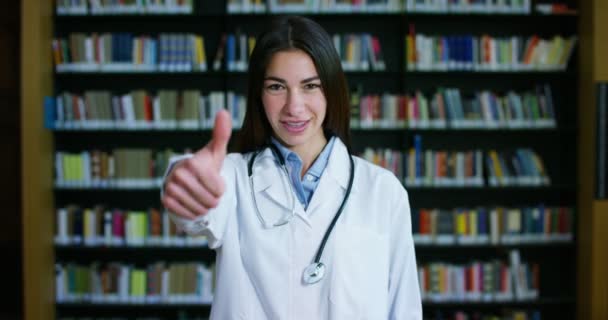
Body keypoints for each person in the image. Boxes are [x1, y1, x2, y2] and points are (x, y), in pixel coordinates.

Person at [161, 15, 422, 320]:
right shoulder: (233, 178)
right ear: (259, 94)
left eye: (310, 86)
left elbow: (403, 309)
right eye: (276, 87)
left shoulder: (383, 190)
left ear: (332, 90)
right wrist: (182, 181)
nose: (294, 106)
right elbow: (194, 211)